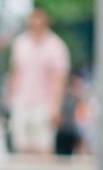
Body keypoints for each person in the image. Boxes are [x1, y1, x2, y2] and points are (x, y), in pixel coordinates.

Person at [7, 8, 70, 155]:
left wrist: (55, 107)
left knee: (43, 148)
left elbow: (59, 79)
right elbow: (15, 72)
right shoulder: (20, 43)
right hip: (21, 102)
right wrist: (10, 100)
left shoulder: (56, 46)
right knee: (22, 147)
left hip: (44, 104)